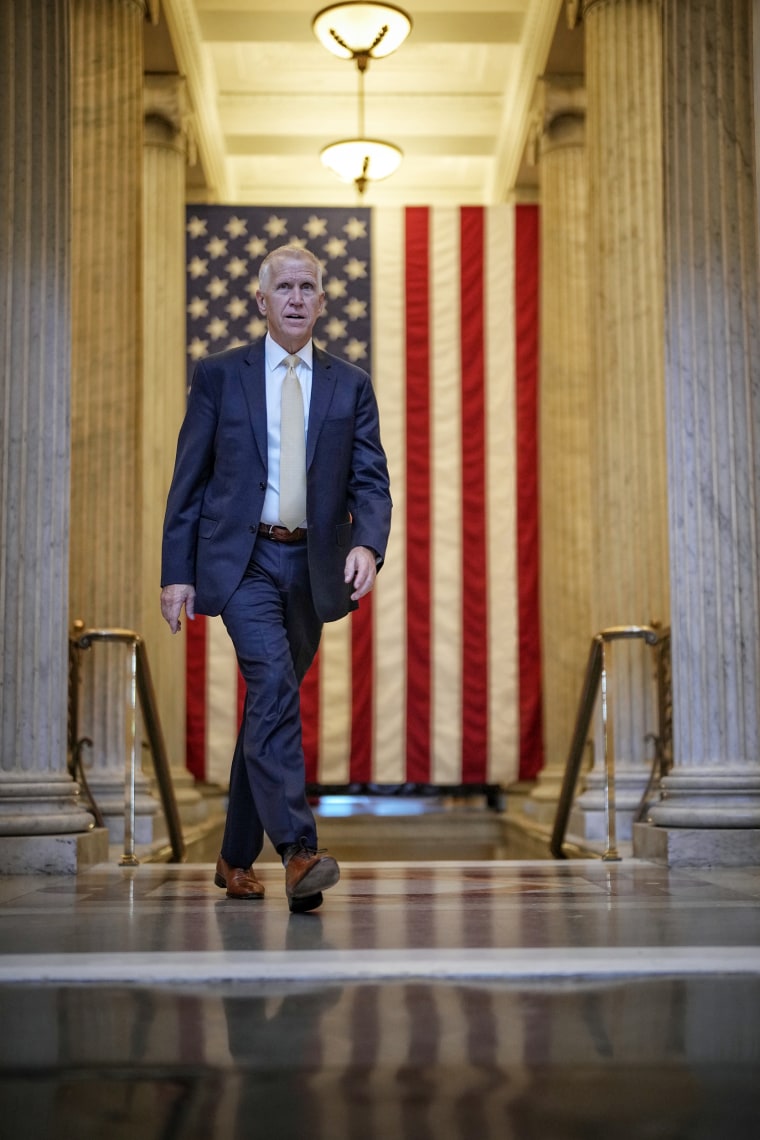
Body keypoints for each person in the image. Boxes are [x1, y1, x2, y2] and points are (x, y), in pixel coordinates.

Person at [160, 244, 391, 913]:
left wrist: (368, 546)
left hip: (313, 569)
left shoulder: (350, 385)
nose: (295, 297)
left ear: (322, 301)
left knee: (271, 703)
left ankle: (235, 858)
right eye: (283, 286)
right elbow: (189, 480)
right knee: (274, 684)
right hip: (242, 563)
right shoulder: (218, 376)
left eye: (307, 287)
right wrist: (177, 572)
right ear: (261, 300)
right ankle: (298, 851)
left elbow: (371, 482)